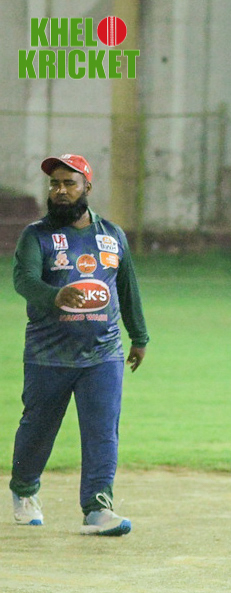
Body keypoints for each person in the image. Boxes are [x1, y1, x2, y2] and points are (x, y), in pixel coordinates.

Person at [9, 153, 149, 536]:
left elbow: (127, 288)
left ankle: (98, 507)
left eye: (69, 183)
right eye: (54, 184)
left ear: (87, 186)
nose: (60, 191)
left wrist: (139, 336)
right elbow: (23, 280)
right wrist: (53, 296)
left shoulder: (112, 235)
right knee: (38, 429)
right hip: (48, 353)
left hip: (103, 353)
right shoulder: (36, 236)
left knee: (102, 430)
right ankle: (24, 489)